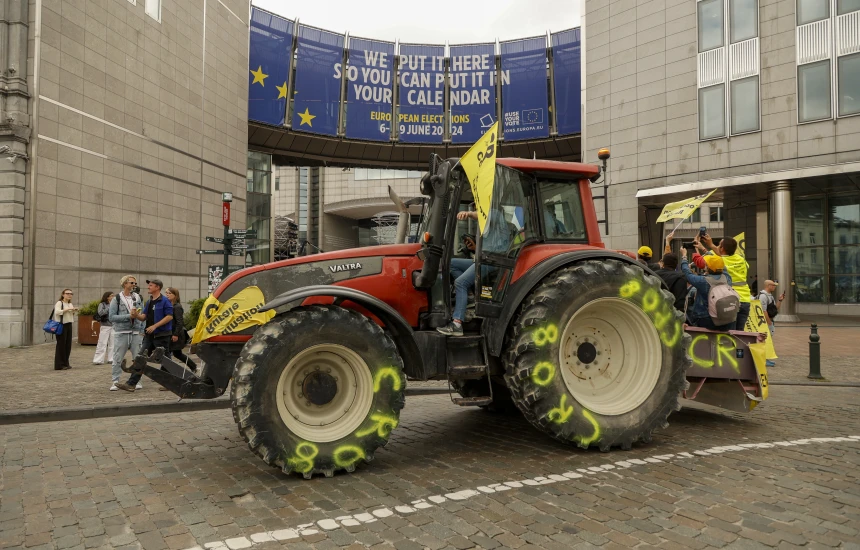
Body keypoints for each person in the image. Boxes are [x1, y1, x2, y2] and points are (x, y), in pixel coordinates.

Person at [438, 207, 510, 336]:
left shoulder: (497, 215)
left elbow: (486, 214)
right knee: (450, 263)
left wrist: (469, 213)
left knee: (460, 283)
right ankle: (469, 296)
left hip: (491, 261)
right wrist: (474, 248)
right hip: (483, 258)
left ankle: (457, 324)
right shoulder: (495, 230)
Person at [117, 279, 174, 392]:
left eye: (151, 285)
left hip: (162, 335)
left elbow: (169, 316)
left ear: (157, 287)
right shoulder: (149, 301)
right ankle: (131, 384)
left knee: (166, 360)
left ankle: (170, 383)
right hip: (149, 336)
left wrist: (155, 326)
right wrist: (136, 315)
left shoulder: (165, 301)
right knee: (141, 357)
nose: (148, 287)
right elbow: (144, 317)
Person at [699, 234, 751, 330]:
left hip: (729, 300)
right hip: (745, 301)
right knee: (740, 335)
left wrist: (705, 246)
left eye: (719, 245)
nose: (717, 247)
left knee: (729, 334)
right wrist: (709, 246)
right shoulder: (741, 259)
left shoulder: (720, 261)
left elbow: (705, 260)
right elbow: (719, 253)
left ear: (722, 249)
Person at [680, 248, 737, 331]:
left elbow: (687, 273)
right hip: (727, 319)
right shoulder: (727, 278)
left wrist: (684, 256)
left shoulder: (703, 281)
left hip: (707, 320)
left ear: (707, 268)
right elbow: (722, 265)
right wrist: (704, 249)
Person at [109, 276, 145, 391]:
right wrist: (128, 316)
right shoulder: (117, 299)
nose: (134, 284)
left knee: (137, 358)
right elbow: (112, 317)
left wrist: (142, 330)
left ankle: (137, 380)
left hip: (135, 331)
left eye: (135, 283)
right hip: (122, 331)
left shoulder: (138, 297)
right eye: (132, 282)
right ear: (125, 284)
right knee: (118, 357)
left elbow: (143, 315)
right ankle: (115, 380)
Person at [165, 287, 196, 372]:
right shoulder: (170, 305)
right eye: (166, 293)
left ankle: (165, 370)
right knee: (175, 353)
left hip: (176, 333)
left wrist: (175, 334)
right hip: (171, 333)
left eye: (169, 293)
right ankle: (193, 367)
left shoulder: (177, 307)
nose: (167, 294)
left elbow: (179, 322)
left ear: (175, 295)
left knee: (172, 352)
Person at [758, 279, 785, 367]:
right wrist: (769, 322)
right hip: (766, 322)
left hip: (770, 321)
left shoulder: (770, 296)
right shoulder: (763, 296)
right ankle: (763, 359)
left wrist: (780, 300)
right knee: (764, 340)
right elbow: (763, 311)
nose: (774, 287)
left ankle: (766, 358)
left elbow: (774, 309)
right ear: (768, 286)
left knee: (768, 341)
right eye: (773, 285)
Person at [53, 289, 78, 370]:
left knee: (68, 345)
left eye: (71, 294)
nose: (69, 295)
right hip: (61, 325)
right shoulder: (59, 303)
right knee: (61, 345)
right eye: (67, 293)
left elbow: (70, 314)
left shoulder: (70, 304)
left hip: (69, 324)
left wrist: (74, 310)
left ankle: (66, 363)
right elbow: (57, 312)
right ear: (63, 294)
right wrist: (67, 310)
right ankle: (59, 365)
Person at [92, 291, 115, 365]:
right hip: (105, 325)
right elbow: (100, 313)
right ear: (107, 297)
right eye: (111, 296)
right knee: (102, 343)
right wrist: (109, 307)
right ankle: (98, 359)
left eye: (113, 296)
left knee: (113, 343)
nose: (113, 297)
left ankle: (111, 359)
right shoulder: (102, 304)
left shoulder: (115, 304)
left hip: (114, 326)